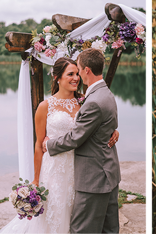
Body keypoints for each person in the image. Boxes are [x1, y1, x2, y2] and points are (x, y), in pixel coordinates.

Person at [0, 56, 120, 234]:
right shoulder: (45, 106)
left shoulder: (84, 101)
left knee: (77, 215)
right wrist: (36, 180)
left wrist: (113, 131)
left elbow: (100, 121)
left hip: (81, 168)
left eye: (77, 73)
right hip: (55, 168)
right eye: (70, 74)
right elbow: (39, 145)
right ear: (57, 78)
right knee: (56, 214)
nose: (76, 78)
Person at [45, 49, 122, 234]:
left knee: (82, 230)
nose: (77, 75)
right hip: (106, 171)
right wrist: (111, 132)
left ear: (87, 70)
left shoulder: (93, 101)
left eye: (78, 70)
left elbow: (75, 137)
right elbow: (103, 126)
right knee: (108, 229)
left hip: (93, 177)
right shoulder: (106, 93)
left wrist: (48, 145)